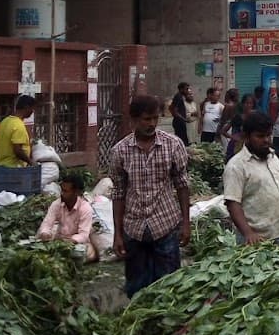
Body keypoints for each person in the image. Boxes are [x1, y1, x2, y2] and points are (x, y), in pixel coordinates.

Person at [110, 95, 191, 298]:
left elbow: (182, 185)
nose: (152, 124)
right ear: (134, 120)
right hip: (134, 229)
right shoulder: (120, 151)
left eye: (155, 118)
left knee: (169, 288)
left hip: (165, 225)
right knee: (136, 289)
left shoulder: (173, 145)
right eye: (147, 119)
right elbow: (118, 193)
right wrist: (118, 234)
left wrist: (186, 223)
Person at [223, 110, 279, 249]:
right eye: (260, 136)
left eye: (269, 135)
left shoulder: (273, 158)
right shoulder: (236, 165)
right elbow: (233, 203)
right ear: (247, 136)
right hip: (259, 241)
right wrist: (248, 233)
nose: (266, 140)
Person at [37, 171, 98, 261]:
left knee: (89, 254)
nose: (62, 194)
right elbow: (47, 223)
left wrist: (70, 241)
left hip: (77, 244)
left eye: (66, 191)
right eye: (62, 190)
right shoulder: (57, 204)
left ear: (76, 192)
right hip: (59, 241)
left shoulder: (85, 208)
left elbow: (83, 234)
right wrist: (45, 233)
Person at [0, 94, 36, 167]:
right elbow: (18, 151)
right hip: (14, 168)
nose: (32, 111)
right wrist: (31, 162)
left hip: (1, 165)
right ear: (26, 107)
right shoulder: (19, 125)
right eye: (32, 109)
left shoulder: (4, 121)